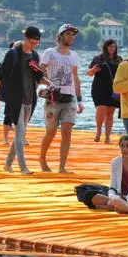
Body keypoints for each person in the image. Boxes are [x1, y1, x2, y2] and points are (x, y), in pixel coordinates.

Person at [0, 26, 44, 174]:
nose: (35, 42)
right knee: (20, 132)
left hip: (30, 98)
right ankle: (23, 168)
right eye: (32, 39)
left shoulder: (35, 55)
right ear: (26, 37)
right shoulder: (13, 54)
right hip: (15, 99)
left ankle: (8, 164)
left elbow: (38, 78)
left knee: (20, 134)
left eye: (37, 40)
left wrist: (50, 83)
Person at [39, 24, 84, 173]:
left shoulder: (74, 56)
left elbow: (76, 78)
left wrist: (80, 99)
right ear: (60, 36)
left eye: (73, 35)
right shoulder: (49, 53)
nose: (71, 37)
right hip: (53, 98)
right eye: (68, 34)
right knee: (51, 132)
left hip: (69, 97)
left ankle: (62, 166)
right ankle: (42, 159)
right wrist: (45, 87)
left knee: (67, 133)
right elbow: (39, 73)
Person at [86, 38, 122, 144]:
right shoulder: (98, 58)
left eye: (114, 46)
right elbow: (89, 73)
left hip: (114, 89)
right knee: (101, 110)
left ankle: (107, 136)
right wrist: (94, 70)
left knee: (110, 114)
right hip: (99, 88)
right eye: (110, 46)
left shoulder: (119, 59)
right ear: (105, 47)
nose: (112, 48)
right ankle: (98, 132)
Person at [90, 135, 128, 209]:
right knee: (93, 197)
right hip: (120, 197)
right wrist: (112, 197)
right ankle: (119, 206)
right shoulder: (115, 162)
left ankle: (115, 207)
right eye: (122, 146)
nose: (124, 149)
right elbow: (113, 186)